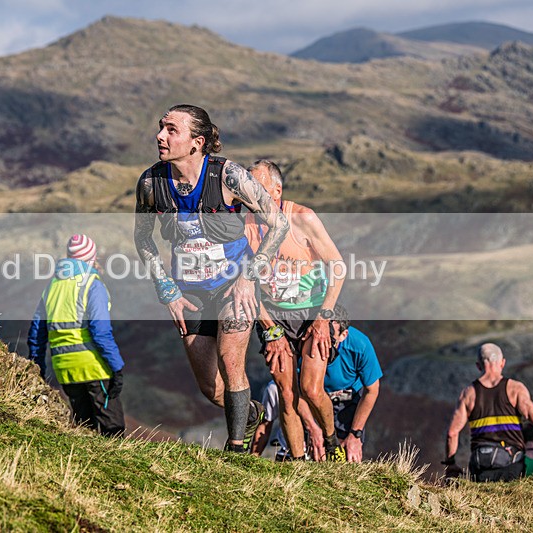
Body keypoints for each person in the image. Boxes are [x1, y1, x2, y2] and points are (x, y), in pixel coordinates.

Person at [134, 104, 289, 452]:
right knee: (210, 387)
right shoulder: (150, 183)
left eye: (172, 130)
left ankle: (235, 454)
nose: (160, 135)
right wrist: (166, 290)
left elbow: (279, 223)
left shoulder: (227, 176)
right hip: (189, 292)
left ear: (196, 142)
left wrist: (249, 277)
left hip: (234, 284)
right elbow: (142, 238)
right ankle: (249, 411)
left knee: (231, 362)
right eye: (162, 128)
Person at [245, 160, 346, 461]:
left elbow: (338, 268)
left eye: (258, 188)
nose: (251, 195)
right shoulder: (246, 225)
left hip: (311, 311)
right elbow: (246, 284)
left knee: (312, 389)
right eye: (247, 189)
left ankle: (331, 442)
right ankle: (298, 463)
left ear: (277, 190)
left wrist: (324, 318)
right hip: (273, 315)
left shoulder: (303, 218)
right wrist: (269, 328)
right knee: (287, 394)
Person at [253, 305, 382, 463]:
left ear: (343, 335)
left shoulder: (360, 345)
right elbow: (295, 391)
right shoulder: (307, 339)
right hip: (306, 402)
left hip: (346, 402)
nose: (323, 342)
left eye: (330, 337)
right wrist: (312, 428)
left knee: (347, 457)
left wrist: (355, 434)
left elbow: (372, 390)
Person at [27, 234, 125, 437]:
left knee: (83, 429)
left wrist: (37, 367)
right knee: (112, 429)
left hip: (65, 369)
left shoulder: (52, 287)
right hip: (94, 366)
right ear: (91, 258)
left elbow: (36, 333)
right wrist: (117, 367)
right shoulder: (92, 284)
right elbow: (100, 332)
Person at [444, 343, 533, 482]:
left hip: (480, 464)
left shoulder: (469, 393)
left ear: (478, 365)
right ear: (502, 363)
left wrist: (450, 464)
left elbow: (452, 433)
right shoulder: (515, 389)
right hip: (510, 463)